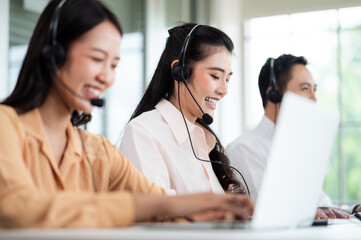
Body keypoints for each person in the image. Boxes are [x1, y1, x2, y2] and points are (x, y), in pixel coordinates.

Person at [0, 0, 253, 228]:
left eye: (113, 65)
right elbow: (17, 208)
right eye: (97, 59)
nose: (106, 77)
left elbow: (158, 203)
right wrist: (139, 207)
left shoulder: (97, 150)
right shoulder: (5, 125)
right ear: (53, 54)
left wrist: (210, 209)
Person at [226, 54, 361, 219]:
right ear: (274, 94)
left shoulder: (299, 147)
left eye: (314, 90)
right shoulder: (245, 149)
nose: (314, 99)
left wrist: (354, 209)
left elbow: (321, 205)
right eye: (305, 89)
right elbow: (269, 211)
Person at [120, 23, 245, 195]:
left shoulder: (203, 140)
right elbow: (156, 214)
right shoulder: (144, 132)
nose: (224, 90)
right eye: (215, 76)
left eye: (227, 79)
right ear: (180, 72)